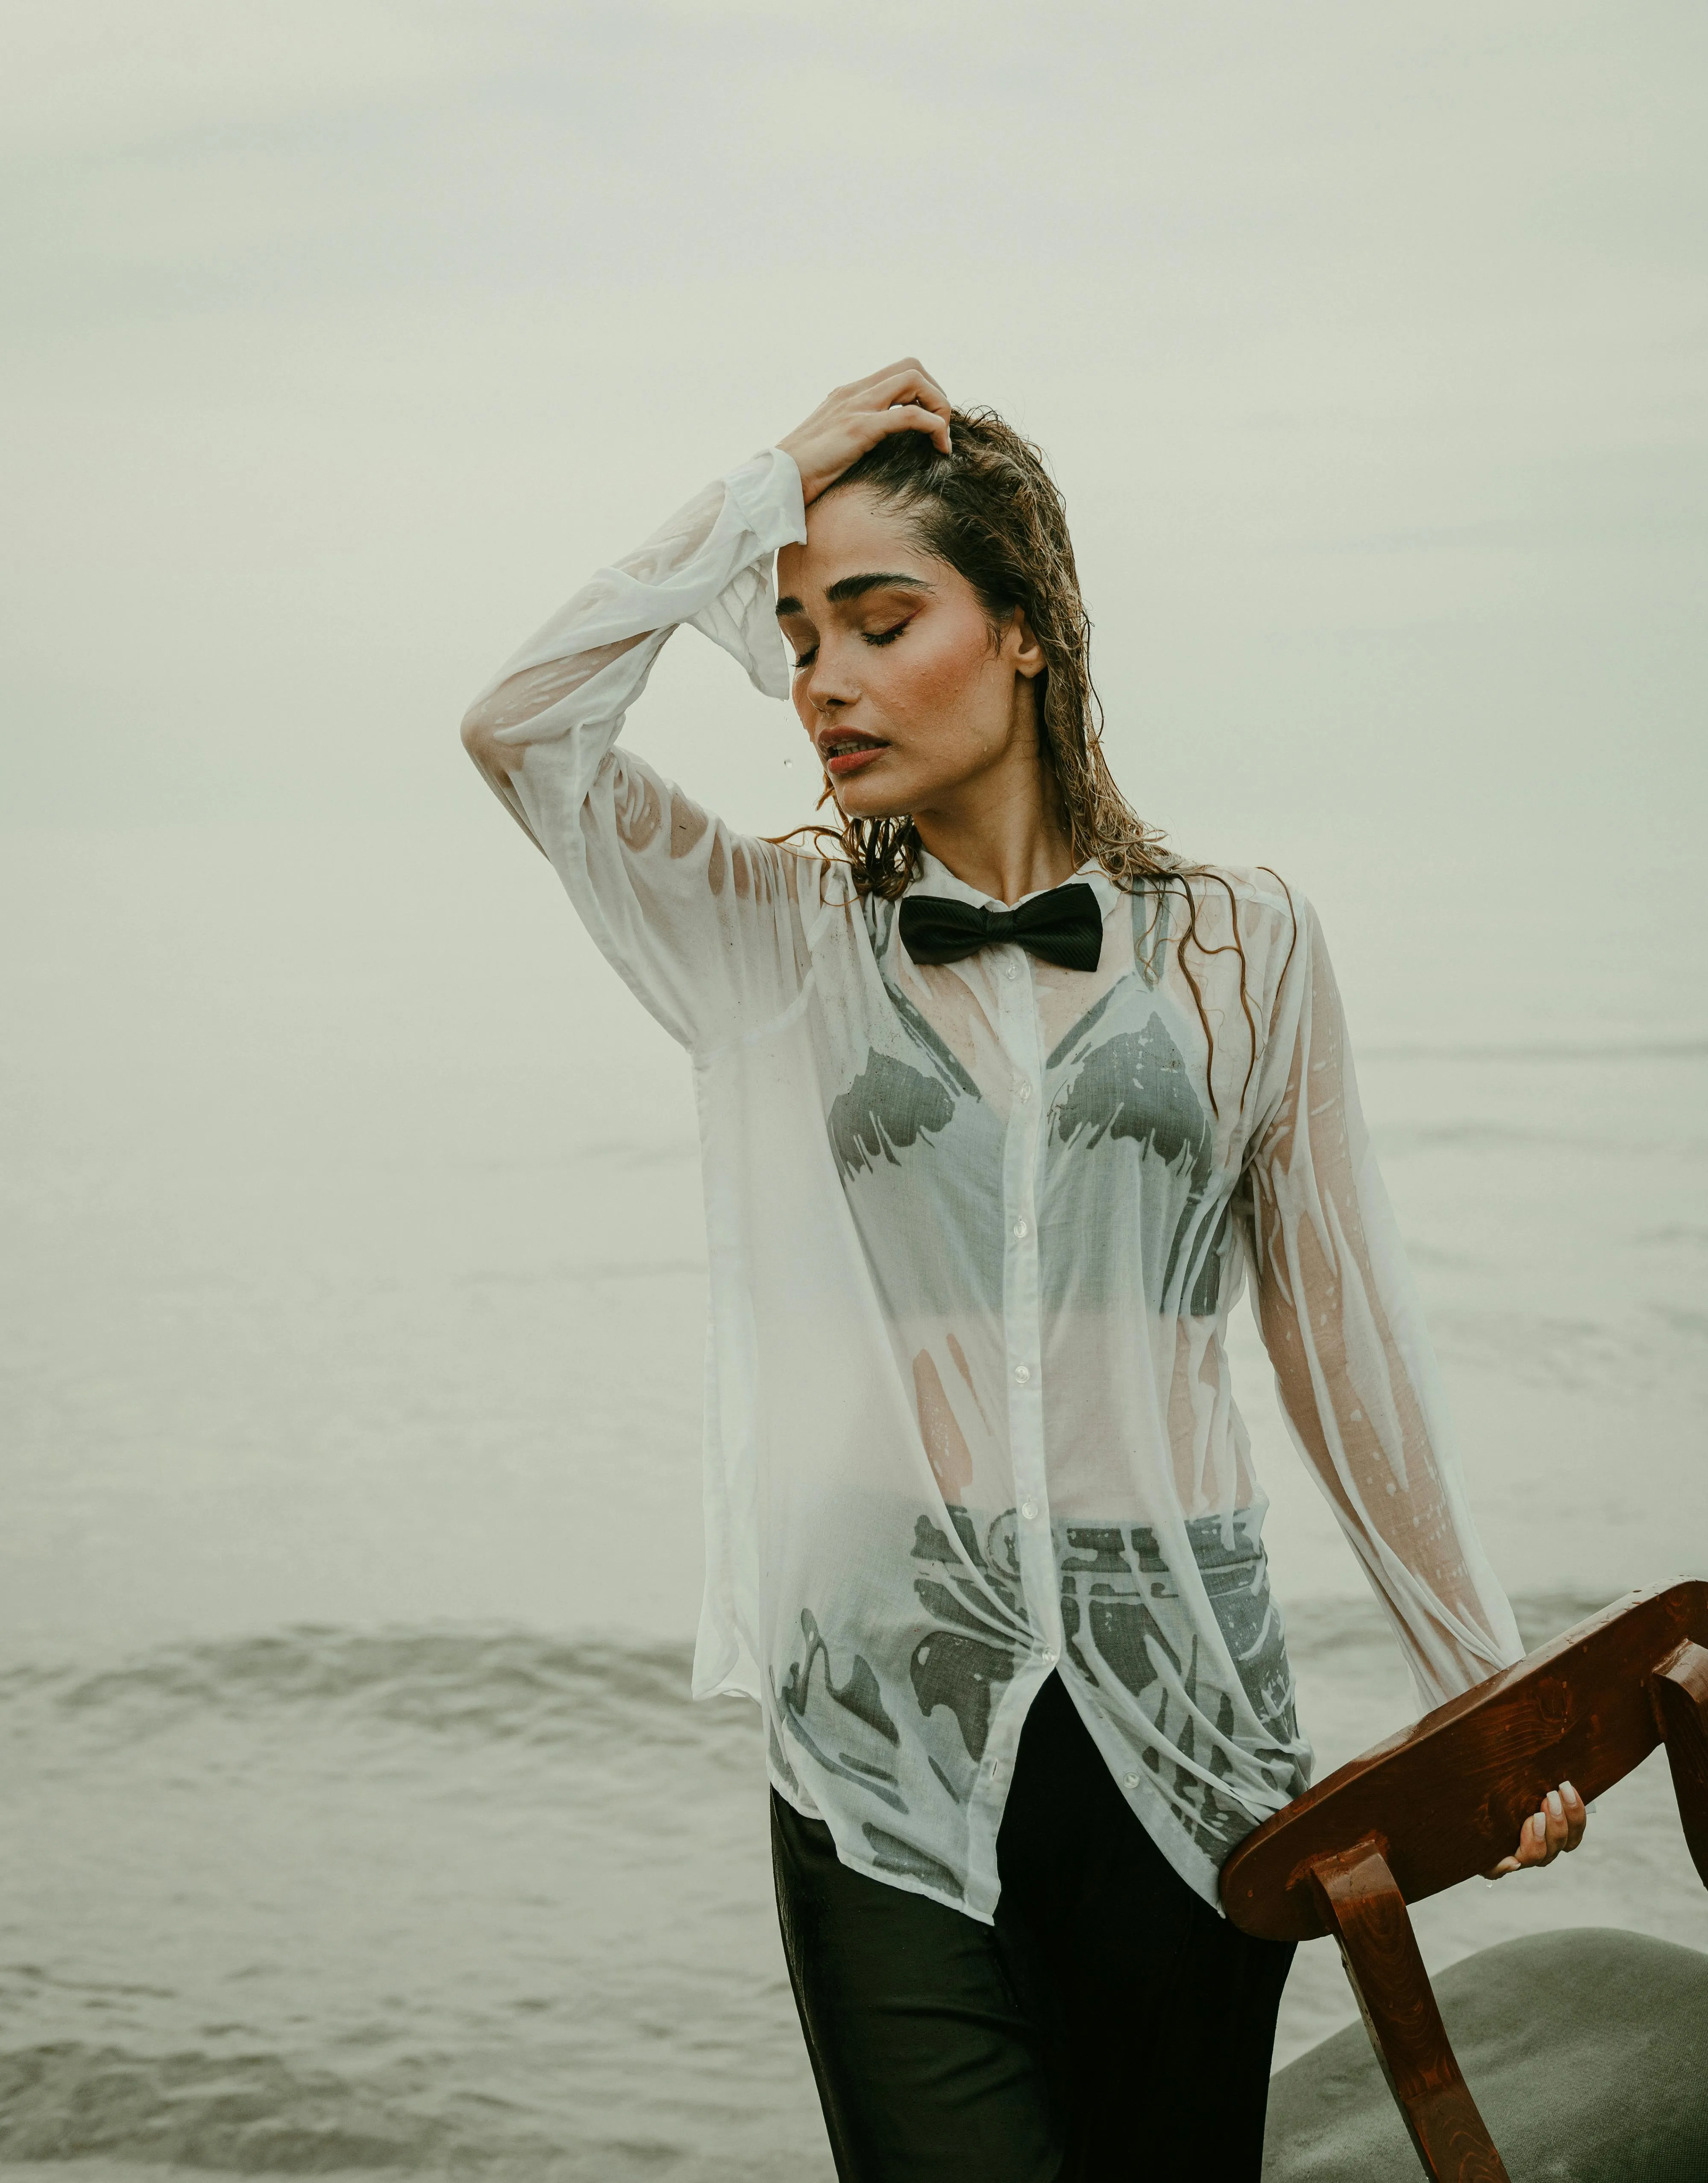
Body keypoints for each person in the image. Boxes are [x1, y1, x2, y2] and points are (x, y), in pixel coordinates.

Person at [460, 361, 1588, 2183]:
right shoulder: (779, 937)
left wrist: (1489, 1686)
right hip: (885, 1730)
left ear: (1029, 633)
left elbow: (1341, 1338)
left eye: (878, 619)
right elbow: (523, 727)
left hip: (1196, 1733)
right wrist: (763, 485)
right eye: (794, 632)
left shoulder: (1245, 944)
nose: (818, 678)